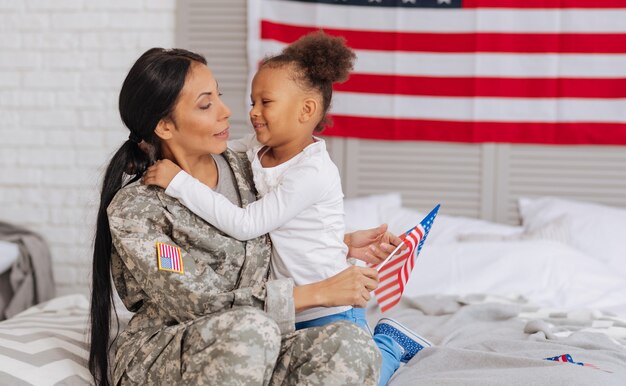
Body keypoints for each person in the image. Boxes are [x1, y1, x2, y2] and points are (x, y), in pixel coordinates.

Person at [88, 46, 401, 386]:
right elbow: (199, 301)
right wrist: (318, 293)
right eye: (206, 104)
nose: (228, 112)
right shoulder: (136, 210)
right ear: (164, 125)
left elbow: (272, 232)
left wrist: (338, 243)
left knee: (351, 345)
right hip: (176, 354)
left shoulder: (250, 168)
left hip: (265, 343)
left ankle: (387, 347)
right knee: (253, 331)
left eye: (220, 96)